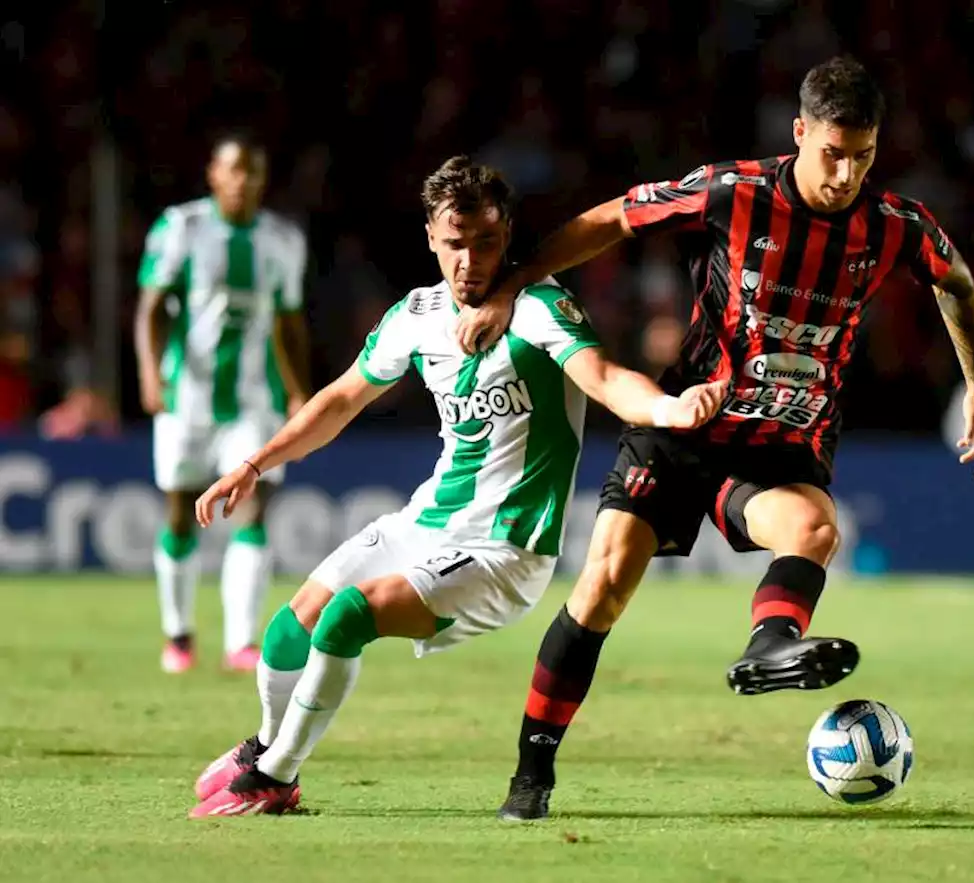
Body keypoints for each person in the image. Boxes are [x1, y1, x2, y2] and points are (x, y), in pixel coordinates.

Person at [454, 55, 974, 821]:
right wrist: (510, 286)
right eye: (833, 153)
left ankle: (770, 643)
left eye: (863, 156)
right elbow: (611, 217)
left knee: (814, 528)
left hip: (784, 447)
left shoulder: (894, 226)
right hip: (688, 420)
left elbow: (958, 282)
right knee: (603, 585)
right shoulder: (732, 191)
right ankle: (531, 772)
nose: (846, 174)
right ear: (801, 132)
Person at [186, 156, 727, 818]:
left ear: (508, 236)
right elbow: (339, 399)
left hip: (507, 548)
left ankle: (277, 775)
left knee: (350, 613)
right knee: (286, 630)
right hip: (429, 521)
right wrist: (252, 463)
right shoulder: (417, 314)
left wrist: (669, 409)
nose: (470, 260)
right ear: (430, 239)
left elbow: (607, 379)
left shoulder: (541, 309)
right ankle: (267, 744)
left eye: (487, 242)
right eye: (455, 243)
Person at [135, 132, 310, 674]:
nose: (242, 181)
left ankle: (241, 642)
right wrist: (149, 372)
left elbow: (288, 321)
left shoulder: (283, 239)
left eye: (252, 171)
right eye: (233, 170)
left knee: (254, 510)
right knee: (181, 515)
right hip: (186, 396)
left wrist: (299, 388)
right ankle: (179, 635)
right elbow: (150, 307)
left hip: (254, 399)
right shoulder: (181, 227)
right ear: (213, 173)